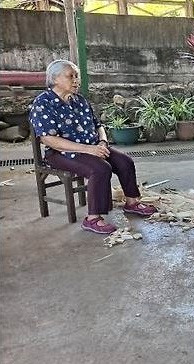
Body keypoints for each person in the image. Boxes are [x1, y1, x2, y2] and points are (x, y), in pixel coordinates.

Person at [29, 60, 157, 234]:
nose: (76, 80)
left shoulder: (79, 100)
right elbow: (48, 139)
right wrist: (89, 150)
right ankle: (92, 219)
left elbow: (99, 125)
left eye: (76, 76)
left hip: (93, 146)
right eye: (70, 76)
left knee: (124, 161)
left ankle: (132, 202)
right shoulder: (43, 103)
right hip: (60, 153)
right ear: (55, 79)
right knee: (100, 169)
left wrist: (103, 142)